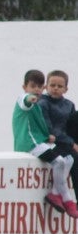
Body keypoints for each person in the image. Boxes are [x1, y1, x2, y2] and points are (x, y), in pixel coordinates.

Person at [13, 69, 75, 217]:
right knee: (59, 161)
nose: (36, 90)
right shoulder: (24, 99)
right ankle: (67, 199)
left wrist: (48, 137)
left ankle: (54, 193)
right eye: (33, 86)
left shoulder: (39, 105)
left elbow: (39, 126)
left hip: (38, 142)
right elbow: (25, 101)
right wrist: (31, 98)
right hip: (29, 144)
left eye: (40, 87)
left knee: (69, 159)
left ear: (43, 88)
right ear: (24, 87)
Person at [36, 69, 78, 217]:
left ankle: (59, 194)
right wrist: (71, 143)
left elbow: (71, 127)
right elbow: (49, 128)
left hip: (66, 142)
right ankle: (65, 197)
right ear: (46, 86)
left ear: (66, 89)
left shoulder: (69, 105)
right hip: (51, 142)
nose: (55, 88)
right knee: (73, 157)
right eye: (52, 85)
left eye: (60, 86)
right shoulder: (43, 103)